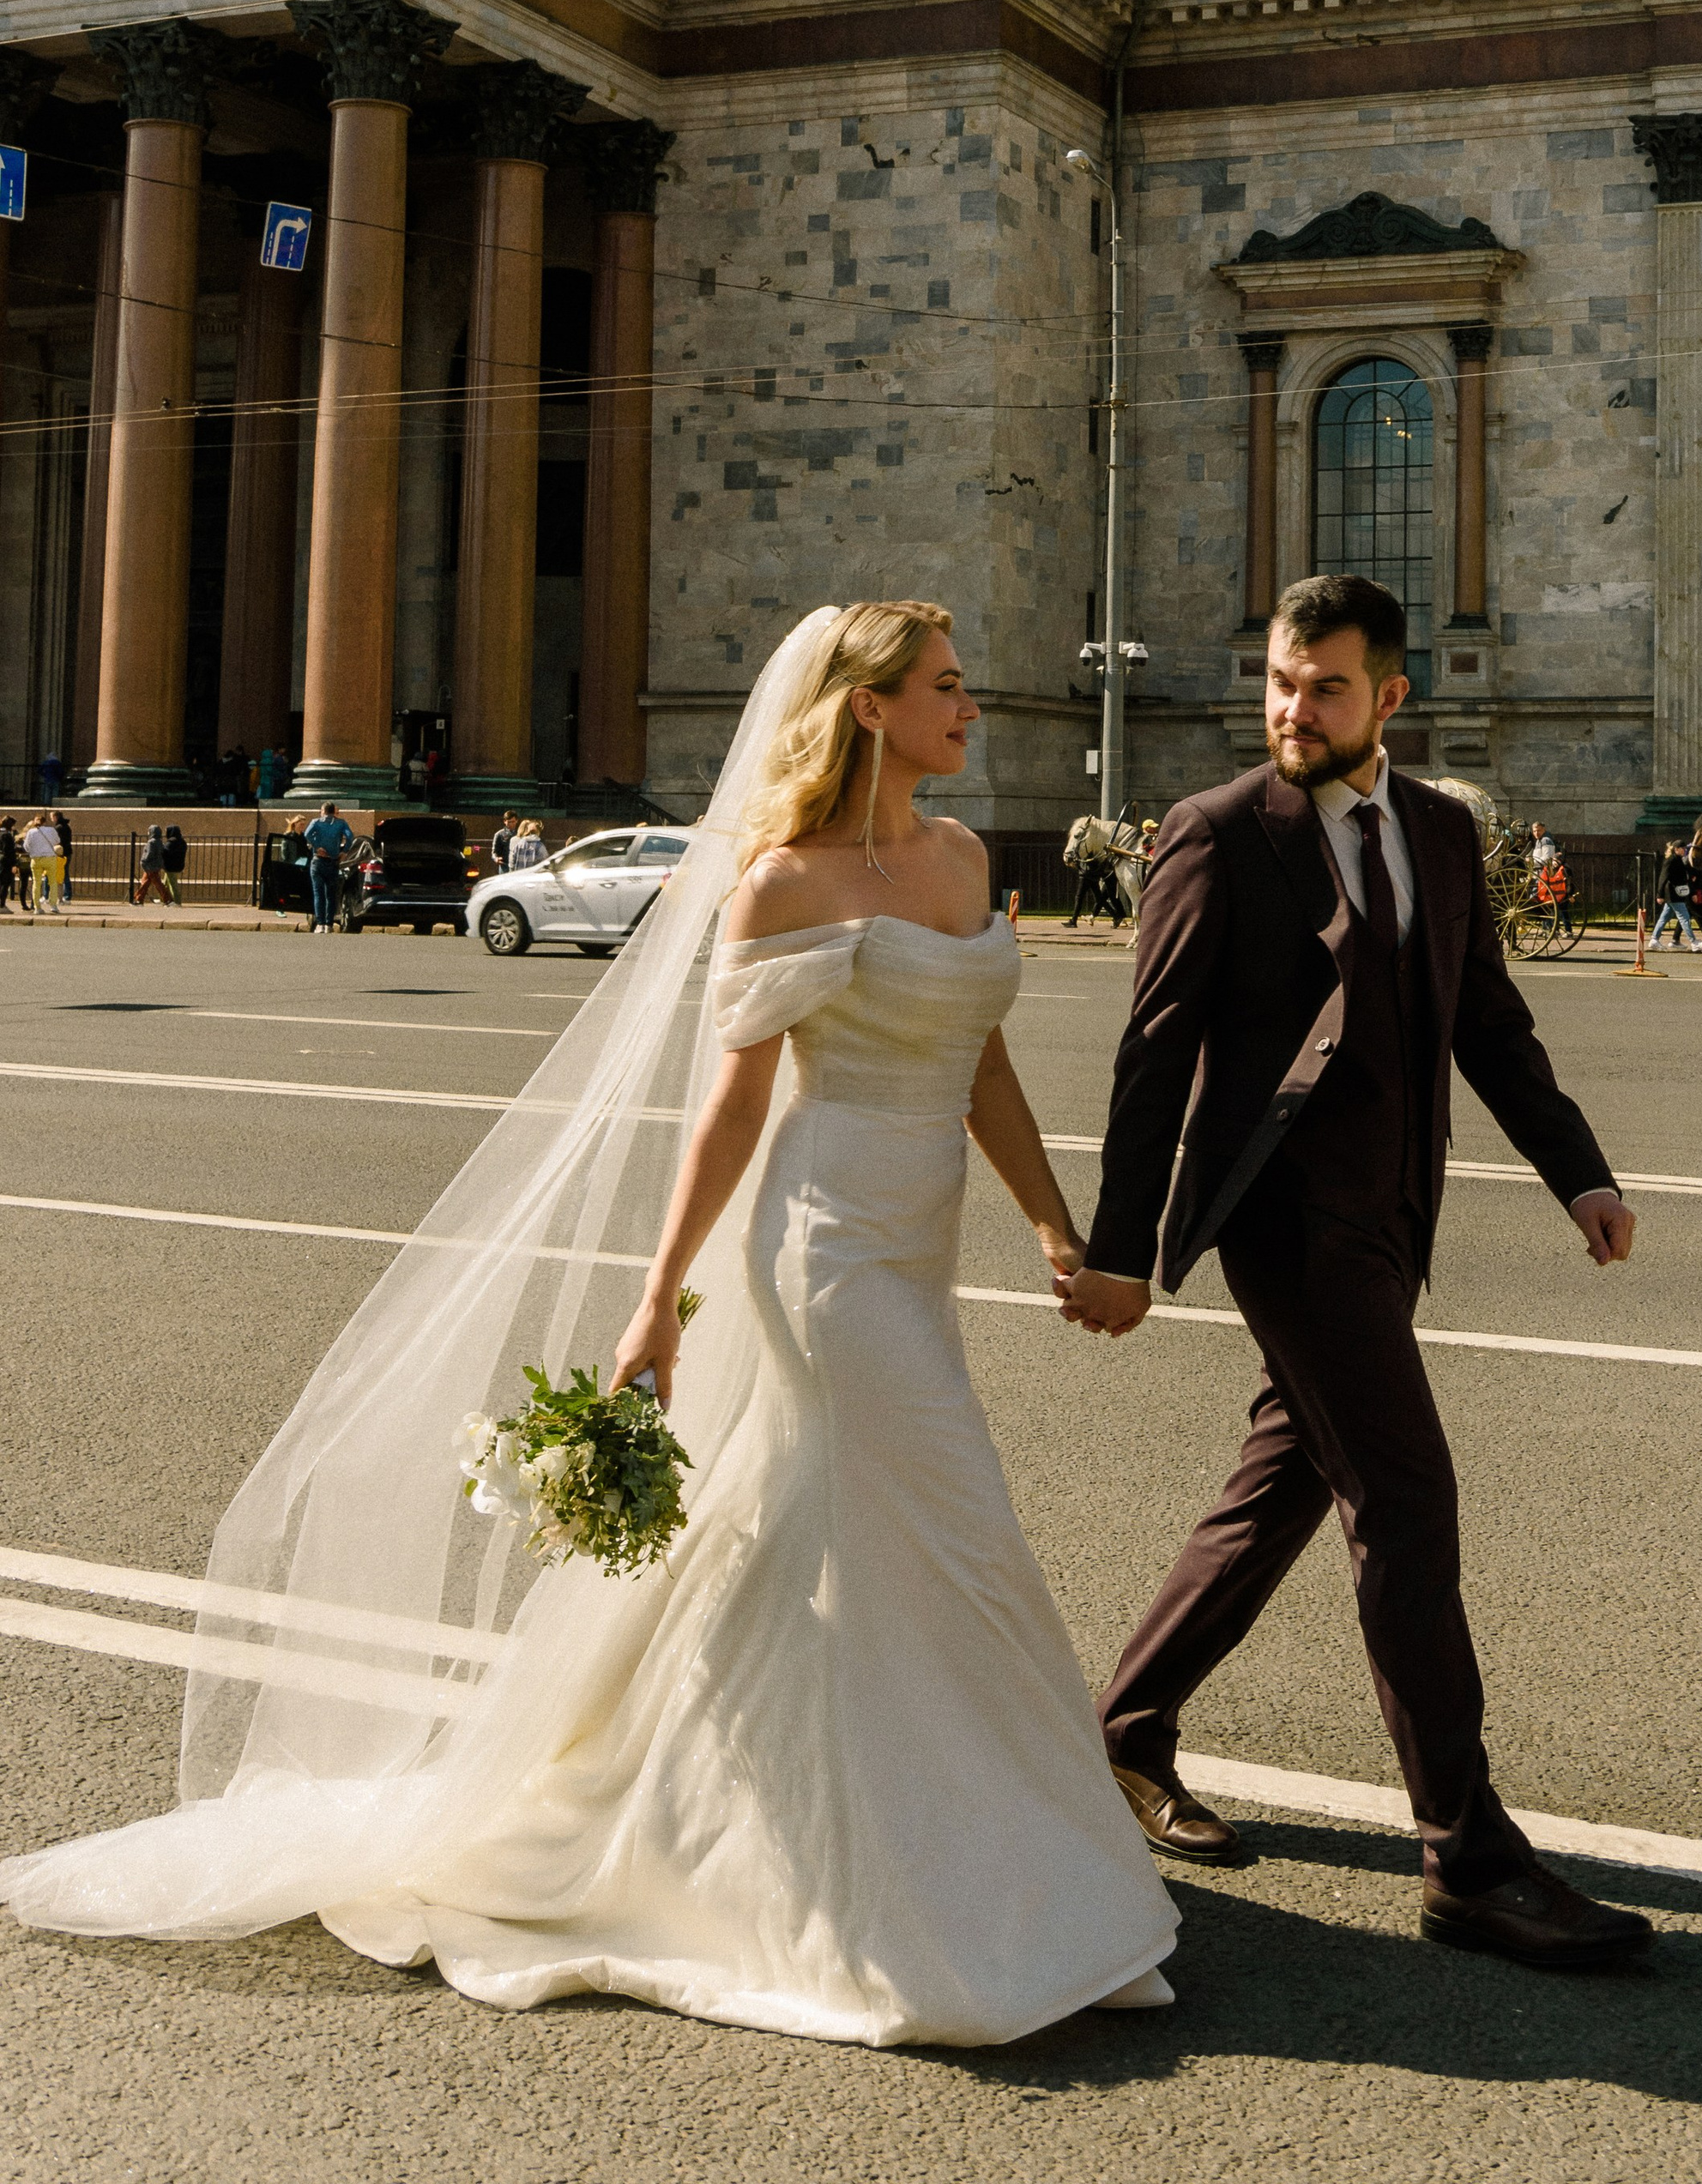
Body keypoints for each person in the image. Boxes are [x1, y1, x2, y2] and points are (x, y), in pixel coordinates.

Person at [0, 601, 1178, 2043]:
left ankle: (823, 1807)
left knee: (851, 1527)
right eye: (944, 686)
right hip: (816, 1250)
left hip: (916, 1239)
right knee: (937, 1511)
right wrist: (660, 1298)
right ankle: (884, 1863)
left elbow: (982, 1059)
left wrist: (1051, 1223)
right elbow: (734, 1107)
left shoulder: (964, 857)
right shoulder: (783, 884)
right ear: (866, 707)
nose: (972, 707)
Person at [1060, 573, 1651, 1972]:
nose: (1293, 708)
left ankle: (1126, 1729)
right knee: (1403, 1497)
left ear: (1392, 697)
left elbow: (1487, 1026)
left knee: (1286, 1478)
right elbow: (1154, 1061)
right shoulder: (1217, 837)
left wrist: (1581, 1170)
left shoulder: (1442, 833)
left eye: (1326, 687)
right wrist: (1121, 1251)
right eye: (1279, 680)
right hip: (1286, 1223)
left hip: (1395, 1214)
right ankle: (1468, 1854)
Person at [302, 801, 354, 935]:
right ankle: (329, 924)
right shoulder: (341, 823)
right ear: (333, 811)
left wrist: (316, 846)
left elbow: (306, 834)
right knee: (331, 895)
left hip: (318, 860)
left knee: (318, 894)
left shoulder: (316, 822)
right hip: (333, 860)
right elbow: (350, 836)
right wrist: (345, 851)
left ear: (324, 811)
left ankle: (320, 924)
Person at [1648, 840, 1702, 954]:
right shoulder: (1670, 861)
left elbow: (1685, 874)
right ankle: (1694, 942)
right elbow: (1663, 878)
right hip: (1673, 894)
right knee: (1684, 918)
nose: (1685, 850)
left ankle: (1654, 939)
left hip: (1675, 894)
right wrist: (1659, 895)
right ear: (1676, 849)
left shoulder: (1678, 860)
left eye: (1685, 848)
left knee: (1664, 918)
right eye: (1682, 849)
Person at [22, 811, 63, 914]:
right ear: (45, 822)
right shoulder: (51, 830)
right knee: (53, 882)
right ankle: (53, 906)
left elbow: (26, 847)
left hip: (36, 859)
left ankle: (37, 908)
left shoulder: (31, 832)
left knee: (36, 883)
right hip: (50, 858)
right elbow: (57, 841)